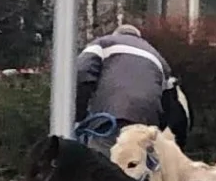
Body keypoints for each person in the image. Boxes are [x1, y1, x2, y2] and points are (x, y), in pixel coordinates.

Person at [71, 18, 185, 146]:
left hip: (109, 120)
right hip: (146, 126)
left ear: (116, 34)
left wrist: (79, 113)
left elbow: (81, 72)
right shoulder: (159, 58)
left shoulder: (102, 44)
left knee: (103, 156)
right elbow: (169, 101)